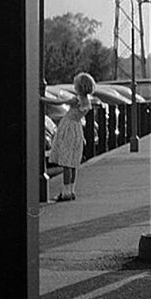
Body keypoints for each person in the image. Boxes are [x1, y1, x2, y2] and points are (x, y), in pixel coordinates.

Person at [45, 71, 96, 202]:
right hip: (77, 130)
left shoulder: (75, 100)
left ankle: (65, 192)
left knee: (66, 162)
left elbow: (58, 101)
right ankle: (71, 190)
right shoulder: (87, 102)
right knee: (73, 163)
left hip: (68, 129)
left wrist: (42, 99)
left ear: (79, 86)